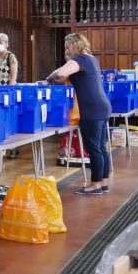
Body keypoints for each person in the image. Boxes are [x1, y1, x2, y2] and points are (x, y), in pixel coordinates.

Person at [46, 33, 111, 195]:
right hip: (102, 106)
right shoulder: (91, 59)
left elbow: (60, 74)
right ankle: (103, 182)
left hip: (92, 109)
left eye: (68, 46)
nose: (67, 49)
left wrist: (48, 78)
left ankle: (95, 184)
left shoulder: (80, 60)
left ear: (75, 45)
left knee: (94, 148)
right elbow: (65, 77)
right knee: (101, 147)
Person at [0, 32, 22, 158]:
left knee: (8, 119)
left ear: (6, 44)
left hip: (6, 92)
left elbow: (13, 77)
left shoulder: (11, 57)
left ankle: (12, 147)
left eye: (0, 42)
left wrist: (10, 92)